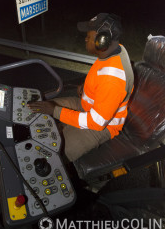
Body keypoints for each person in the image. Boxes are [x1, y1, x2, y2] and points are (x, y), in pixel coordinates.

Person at [27, 13, 134, 162]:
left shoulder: (113, 80)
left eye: (89, 36)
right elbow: (100, 76)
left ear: (102, 41)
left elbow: (96, 122)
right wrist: (86, 87)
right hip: (87, 105)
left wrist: (55, 110)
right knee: (38, 109)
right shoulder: (115, 49)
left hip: (102, 125)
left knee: (54, 153)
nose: (86, 38)